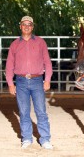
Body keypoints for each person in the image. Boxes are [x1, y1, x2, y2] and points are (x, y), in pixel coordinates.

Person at [5, 16, 53, 150]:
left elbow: (47, 62)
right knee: (24, 112)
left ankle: (45, 140)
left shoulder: (40, 42)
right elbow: (9, 65)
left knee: (41, 111)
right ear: (20, 26)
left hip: (37, 81)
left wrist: (47, 79)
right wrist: (10, 83)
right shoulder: (14, 44)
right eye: (24, 24)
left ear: (33, 27)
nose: (27, 26)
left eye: (29, 24)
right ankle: (26, 138)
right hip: (20, 82)